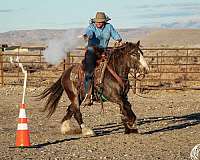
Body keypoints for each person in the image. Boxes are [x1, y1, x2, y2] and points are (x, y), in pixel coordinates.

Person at [82, 11, 122, 105]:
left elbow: (115, 35)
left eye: (101, 22)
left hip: (104, 51)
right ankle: (88, 94)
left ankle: (119, 90)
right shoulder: (91, 27)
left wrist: (118, 39)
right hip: (92, 51)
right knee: (89, 71)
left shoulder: (109, 27)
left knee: (117, 64)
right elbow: (89, 33)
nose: (99, 23)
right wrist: (87, 36)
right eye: (97, 22)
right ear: (95, 21)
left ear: (104, 22)